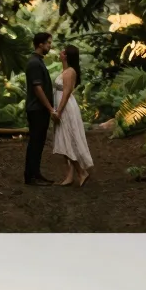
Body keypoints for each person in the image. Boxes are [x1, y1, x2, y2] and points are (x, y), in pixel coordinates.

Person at [51, 45, 93, 187]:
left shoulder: (70, 72)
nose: (60, 52)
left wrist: (59, 111)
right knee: (64, 140)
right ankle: (70, 175)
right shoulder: (67, 70)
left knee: (68, 139)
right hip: (63, 107)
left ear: (67, 55)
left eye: (63, 51)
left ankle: (81, 172)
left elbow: (67, 92)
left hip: (66, 108)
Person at [24, 32, 55, 186]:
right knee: (35, 142)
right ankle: (30, 176)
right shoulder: (34, 63)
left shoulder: (38, 61)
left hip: (40, 109)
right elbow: (38, 88)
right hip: (36, 109)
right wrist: (50, 108)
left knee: (39, 141)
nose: (50, 45)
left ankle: (35, 173)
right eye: (48, 43)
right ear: (40, 44)